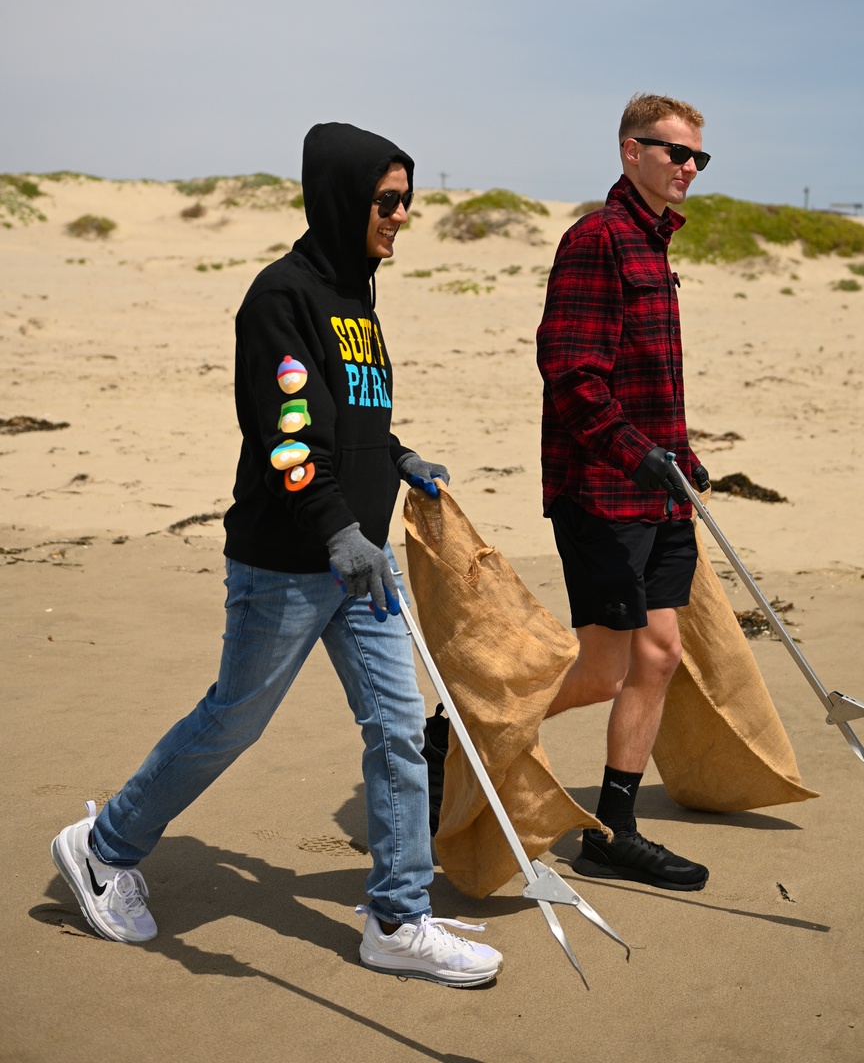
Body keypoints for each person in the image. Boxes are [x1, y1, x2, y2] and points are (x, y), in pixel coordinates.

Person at [50, 122, 503, 988]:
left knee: (399, 729)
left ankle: (398, 920)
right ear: (341, 197)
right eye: (386, 200)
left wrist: (399, 455)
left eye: (409, 200)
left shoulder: (359, 298)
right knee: (234, 719)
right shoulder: (279, 297)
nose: (402, 215)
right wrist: (337, 527)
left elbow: (348, 414)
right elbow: (287, 432)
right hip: (290, 564)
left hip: (359, 561)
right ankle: (103, 849)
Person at [536, 93, 713, 892]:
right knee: (606, 669)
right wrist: (640, 456)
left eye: (697, 158)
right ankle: (457, 733)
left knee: (660, 653)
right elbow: (573, 380)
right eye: (674, 152)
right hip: (601, 491)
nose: (688, 168)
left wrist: (682, 456)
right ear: (628, 153)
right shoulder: (596, 241)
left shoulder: (654, 244)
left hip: (658, 489)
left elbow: (647, 382)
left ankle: (613, 829)